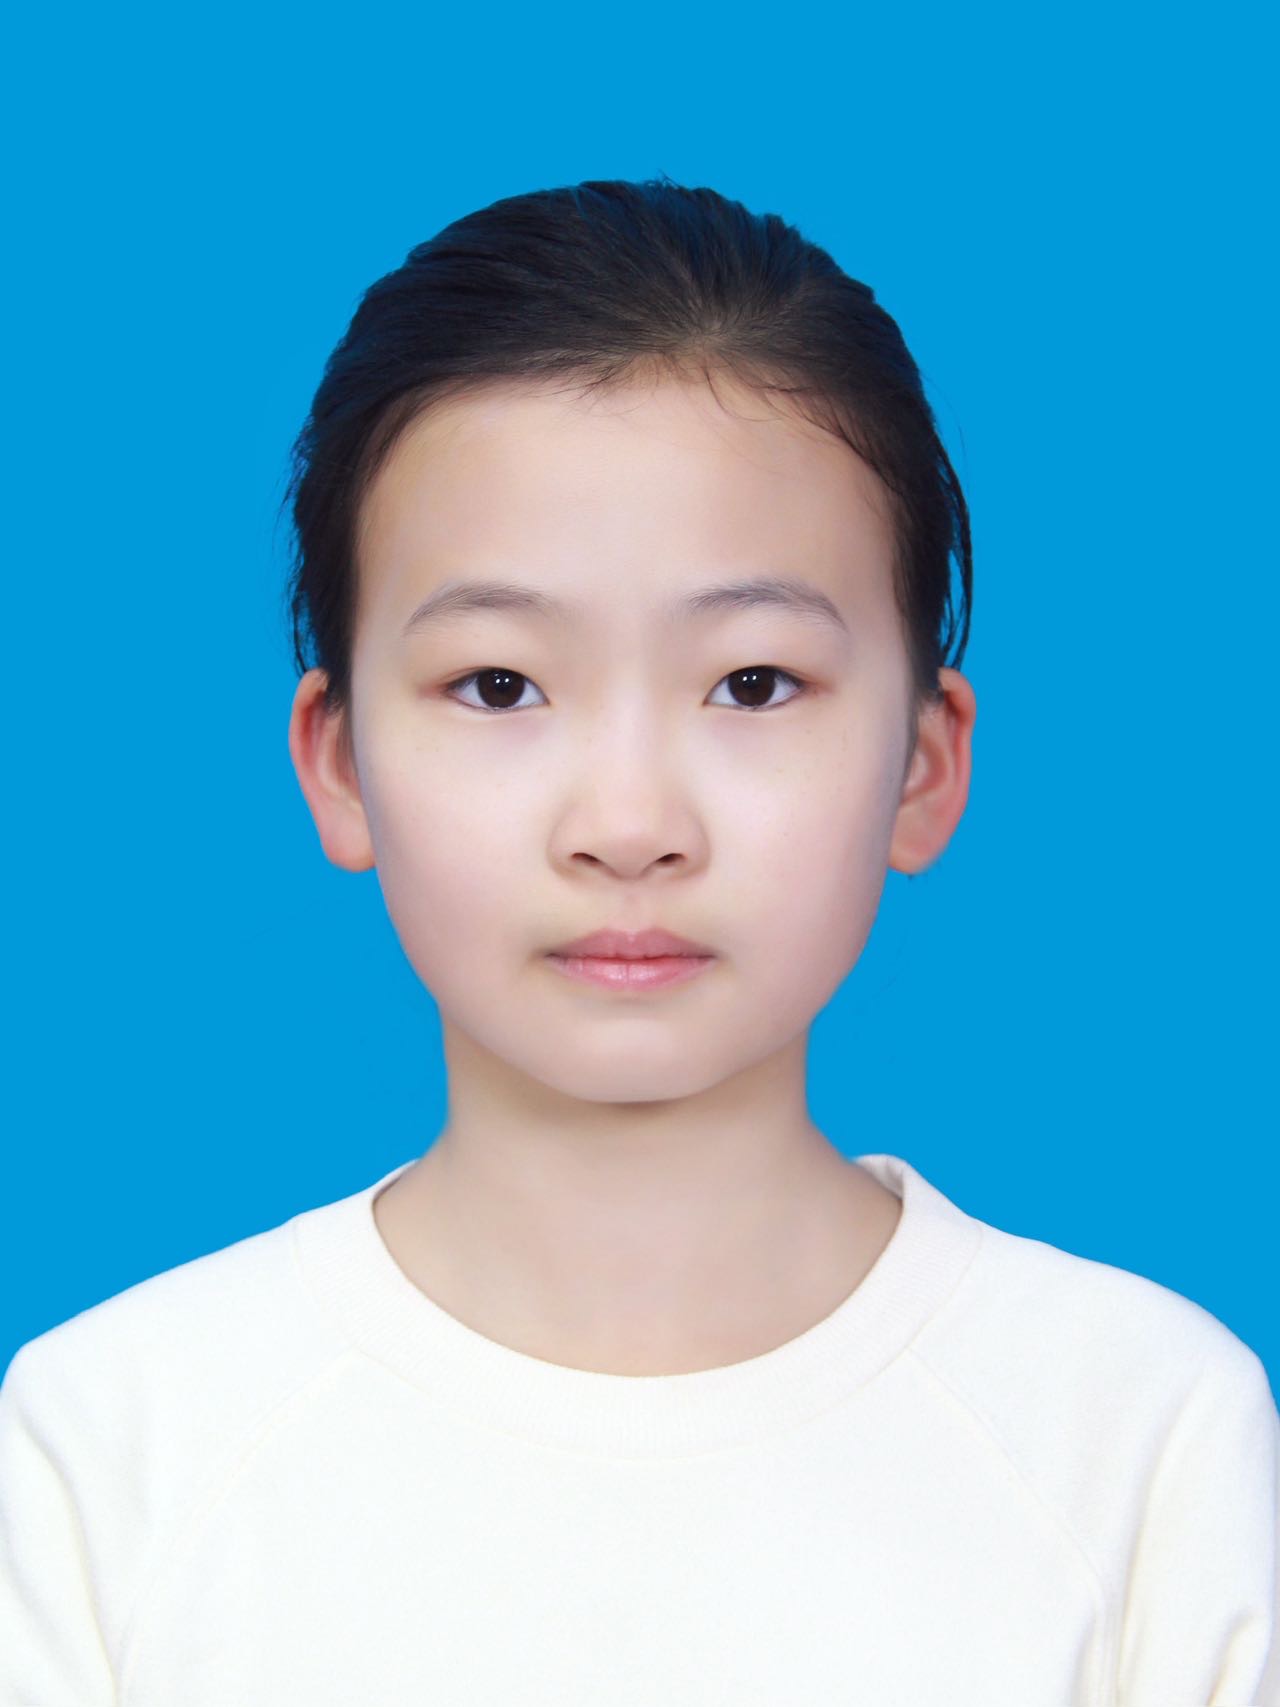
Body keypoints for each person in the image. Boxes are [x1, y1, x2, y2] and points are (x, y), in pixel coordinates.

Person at [1, 176, 1275, 1706]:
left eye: (752, 685)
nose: (626, 823)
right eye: (498, 686)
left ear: (923, 765)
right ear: (338, 762)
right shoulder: (107, 1452)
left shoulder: (1145, 1442)